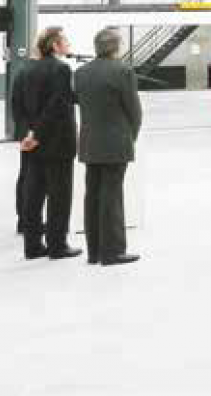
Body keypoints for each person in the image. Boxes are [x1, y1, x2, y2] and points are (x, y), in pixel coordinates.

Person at [74, 28, 143, 266]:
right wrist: (130, 136)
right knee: (112, 196)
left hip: (90, 142)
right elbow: (134, 110)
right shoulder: (123, 71)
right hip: (115, 141)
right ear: (116, 47)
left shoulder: (81, 73)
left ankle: (94, 251)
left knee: (92, 194)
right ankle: (112, 252)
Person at [14, 26, 82, 260]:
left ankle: (32, 245)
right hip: (56, 142)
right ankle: (57, 245)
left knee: (33, 194)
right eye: (66, 41)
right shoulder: (61, 69)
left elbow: (18, 107)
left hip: (32, 144)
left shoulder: (26, 70)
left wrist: (27, 134)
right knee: (59, 196)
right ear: (55, 45)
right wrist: (38, 135)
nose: (69, 45)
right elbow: (57, 107)